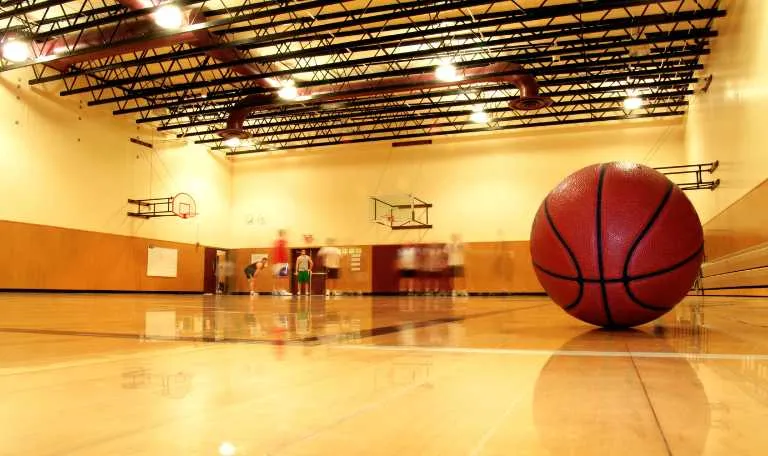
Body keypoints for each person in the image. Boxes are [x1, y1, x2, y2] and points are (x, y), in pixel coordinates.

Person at [272, 230, 290, 296]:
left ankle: (275, 290)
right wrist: (286, 262)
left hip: (276, 262)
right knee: (282, 276)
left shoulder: (275, 242)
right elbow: (285, 253)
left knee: (276, 276)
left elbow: (274, 253)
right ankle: (282, 290)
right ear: (282, 234)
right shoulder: (283, 242)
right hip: (281, 262)